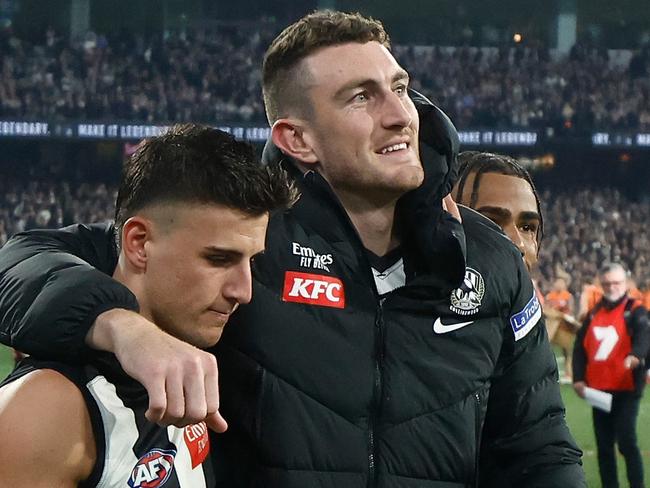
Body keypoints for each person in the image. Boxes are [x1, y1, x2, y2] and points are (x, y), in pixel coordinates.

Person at [0, 11, 585, 487]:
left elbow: (539, 453)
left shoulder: (490, 263)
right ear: (296, 138)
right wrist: (123, 326)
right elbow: (22, 261)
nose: (399, 115)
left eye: (400, 88)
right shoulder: (244, 243)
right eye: (361, 97)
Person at [0, 124, 297, 487]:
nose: (243, 291)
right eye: (219, 259)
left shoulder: (190, 366)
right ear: (139, 243)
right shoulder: (49, 407)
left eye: (250, 262)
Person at [453, 151, 581, 382]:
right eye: (491, 221)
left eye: (528, 227)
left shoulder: (530, 353)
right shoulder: (399, 330)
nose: (519, 244)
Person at [573, 262, 650, 488]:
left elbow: (646, 334)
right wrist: (578, 378)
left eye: (616, 283)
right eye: (606, 283)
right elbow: (579, 347)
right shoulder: (594, 312)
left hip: (627, 388)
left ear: (624, 284)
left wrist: (636, 354)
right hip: (599, 389)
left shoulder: (636, 310)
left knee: (627, 442)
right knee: (604, 446)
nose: (611, 287)